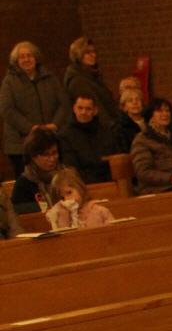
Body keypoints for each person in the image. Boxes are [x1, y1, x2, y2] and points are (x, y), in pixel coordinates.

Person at [2, 42, 64, 175]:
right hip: (21, 144)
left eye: (29, 55)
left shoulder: (50, 78)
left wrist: (55, 124)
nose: (26, 59)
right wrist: (30, 128)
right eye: (22, 57)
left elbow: (63, 104)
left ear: (36, 58)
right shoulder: (9, 82)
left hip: (49, 140)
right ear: (16, 61)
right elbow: (7, 110)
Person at [130, 96, 172, 191]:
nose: (165, 114)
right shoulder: (142, 140)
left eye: (167, 110)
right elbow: (144, 172)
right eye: (159, 111)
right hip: (158, 188)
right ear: (150, 116)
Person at [60, 93, 115, 182]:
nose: (83, 112)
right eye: (80, 108)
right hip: (83, 183)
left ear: (95, 111)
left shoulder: (107, 131)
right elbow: (71, 166)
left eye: (88, 109)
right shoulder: (65, 135)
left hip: (110, 180)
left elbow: (113, 159)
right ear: (74, 109)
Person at [63, 36, 119, 124]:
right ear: (79, 55)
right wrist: (111, 126)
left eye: (94, 51)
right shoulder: (78, 81)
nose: (93, 55)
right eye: (88, 52)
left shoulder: (92, 76)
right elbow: (96, 108)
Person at [11, 127, 62, 215]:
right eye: (45, 154)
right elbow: (19, 214)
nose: (52, 159)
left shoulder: (66, 175)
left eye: (54, 153)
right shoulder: (24, 183)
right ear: (33, 156)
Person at [47, 168, 115, 230]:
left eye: (69, 192)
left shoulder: (100, 211)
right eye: (62, 198)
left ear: (79, 188)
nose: (67, 199)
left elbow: (114, 232)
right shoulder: (61, 216)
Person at [111, 77, 149, 154]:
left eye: (137, 99)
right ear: (124, 107)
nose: (135, 103)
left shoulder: (150, 122)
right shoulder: (119, 127)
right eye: (130, 101)